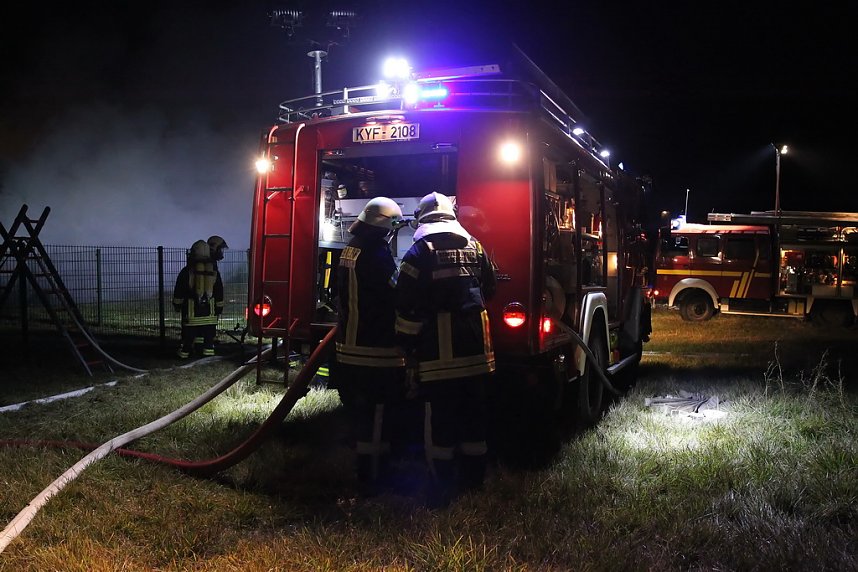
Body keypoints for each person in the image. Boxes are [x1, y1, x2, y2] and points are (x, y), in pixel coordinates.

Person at [394, 192, 497, 506]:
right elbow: (490, 288)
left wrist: (406, 345)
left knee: (441, 420)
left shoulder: (418, 253)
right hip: (478, 354)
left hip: (439, 356)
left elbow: (405, 304)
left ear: (423, 219)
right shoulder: (475, 246)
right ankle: (474, 480)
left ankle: (442, 485)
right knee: (474, 417)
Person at [334, 197, 406, 494]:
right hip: (375, 346)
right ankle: (375, 474)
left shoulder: (350, 248)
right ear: (384, 227)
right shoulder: (377, 253)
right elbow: (396, 291)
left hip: (348, 345)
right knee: (379, 411)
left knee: (360, 411)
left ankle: (364, 465)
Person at [172, 239, 224, 358]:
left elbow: (179, 290)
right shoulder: (214, 272)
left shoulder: (186, 272)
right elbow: (219, 291)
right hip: (210, 315)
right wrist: (219, 308)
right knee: (208, 338)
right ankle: (207, 353)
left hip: (191, 313)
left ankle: (185, 353)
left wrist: (177, 305)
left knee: (189, 337)